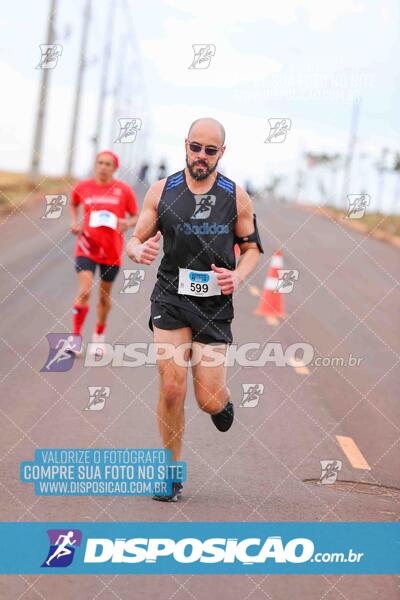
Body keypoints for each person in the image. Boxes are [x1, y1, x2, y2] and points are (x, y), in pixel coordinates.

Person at [126, 118, 264, 501]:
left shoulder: (235, 196)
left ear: (222, 152)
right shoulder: (162, 191)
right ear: (185, 144)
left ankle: (222, 403)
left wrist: (237, 278)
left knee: (208, 399)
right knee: (172, 387)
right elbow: (134, 239)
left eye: (210, 150)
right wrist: (139, 251)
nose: (200, 156)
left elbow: (252, 250)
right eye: (195, 147)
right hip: (170, 297)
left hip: (214, 306)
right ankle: (170, 473)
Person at [70, 150, 138, 354]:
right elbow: (73, 203)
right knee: (84, 291)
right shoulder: (84, 187)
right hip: (86, 247)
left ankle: (99, 335)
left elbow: (135, 215)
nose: (103, 166)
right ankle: (75, 337)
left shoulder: (123, 191)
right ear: (95, 164)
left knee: (103, 297)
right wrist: (75, 222)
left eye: (108, 164)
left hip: (111, 250)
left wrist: (127, 222)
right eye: (100, 162)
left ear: (115, 168)